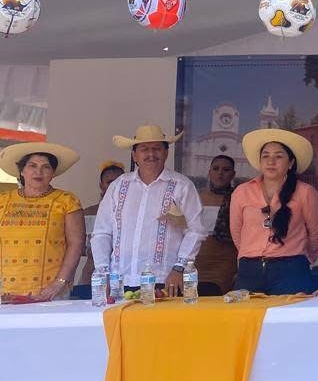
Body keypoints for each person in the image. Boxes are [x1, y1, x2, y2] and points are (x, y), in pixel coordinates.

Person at [91, 125, 206, 296]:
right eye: (144, 149)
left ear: (166, 153)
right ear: (134, 155)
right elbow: (102, 232)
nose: (151, 154)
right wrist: (103, 272)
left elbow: (195, 231)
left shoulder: (182, 186)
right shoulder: (119, 185)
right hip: (120, 281)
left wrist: (179, 268)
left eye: (157, 148)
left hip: (164, 280)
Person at [230, 128, 318, 294]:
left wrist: (300, 259)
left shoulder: (305, 192)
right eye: (265, 156)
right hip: (250, 271)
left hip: (291, 271)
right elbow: (237, 234)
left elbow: (316, 236)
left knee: (289, 311)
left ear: (291, 163)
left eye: (278, 156)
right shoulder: (242, 192)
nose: (271, 161)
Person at [0, 142, 84, 299]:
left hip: (50, 292)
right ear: (22, 171)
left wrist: (59, 282)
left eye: (46, 167)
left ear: (53, 173)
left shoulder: (67, 201)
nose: (38, 172)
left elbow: (76, 244)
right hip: (5, 291)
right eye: (32, 166)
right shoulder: (3, 200)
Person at [194, 154, 240, 294]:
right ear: (209, 172)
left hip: (225, 260)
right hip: (197, 260)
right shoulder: (196, 197)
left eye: (226, 170)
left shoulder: (238, 198)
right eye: (216, 169)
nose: (220, 173)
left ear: (233, 174)